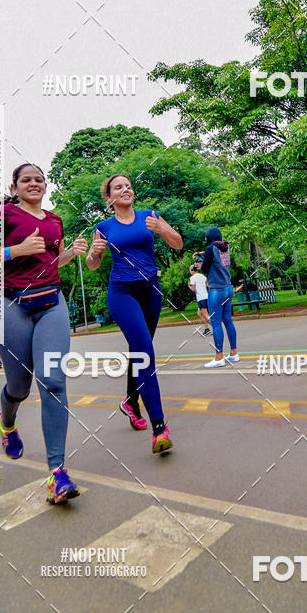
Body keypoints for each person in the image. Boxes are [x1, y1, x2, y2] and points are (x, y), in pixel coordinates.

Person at [0, 162, 87, 504]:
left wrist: (72, 253)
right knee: (19, 387)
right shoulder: (2, 215)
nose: (34, 183)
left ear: (45, 185)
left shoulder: (54, 221)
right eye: (27, 179)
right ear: (16, 185)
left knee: (53, 382)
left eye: (39, 179)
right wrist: (15, 251)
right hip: (10, 304)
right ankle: (7, 423)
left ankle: (57, 473)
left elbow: (51, 261)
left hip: (51, 302)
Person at [86, 173, 183, 454]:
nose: (126, 189)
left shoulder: (149, 216)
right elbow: (93, 265)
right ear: (109, 197)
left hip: (150, 290)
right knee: (144, 352)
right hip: (122, 293)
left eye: (128, 185)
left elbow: (177, 243)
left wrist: (162, 230)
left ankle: (130, 401)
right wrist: (93, 253)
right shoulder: (103, 227)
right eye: (119, 187)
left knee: (139, 351)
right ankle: (159, 428)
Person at [200, 227, 239, 368]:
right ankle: (234, 353)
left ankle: (219, 357)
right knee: (228, 320)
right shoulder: (225, 247)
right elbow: (217, 259)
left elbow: (204, 268)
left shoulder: (210, 249)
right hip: (228, 287)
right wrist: (203, 253)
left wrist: (199, 263)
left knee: (216, 323)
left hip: (216, 289)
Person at [188, 263, 210, 335]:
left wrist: (189, 286)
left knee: (206, 315)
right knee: (199, 313)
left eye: (190, 270)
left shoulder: (192, 278)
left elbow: (194, 289)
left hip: (201, 298)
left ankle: (216, 328)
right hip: (206, 296)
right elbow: (207, 285)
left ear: (192, 270)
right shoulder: (202, 276)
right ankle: (207, 328)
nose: (190, 272)